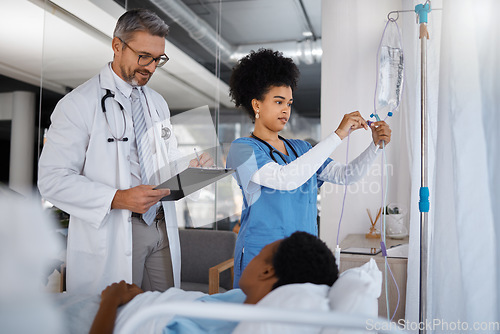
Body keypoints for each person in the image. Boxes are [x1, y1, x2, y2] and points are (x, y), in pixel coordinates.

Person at [38, 9, 212, 294]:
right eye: (144, 56)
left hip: (161, 226)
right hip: (117, 229)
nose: (152, 67)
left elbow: (162, 164)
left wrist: (190, 168)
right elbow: (52, 180)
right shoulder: (79, 104)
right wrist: (118, 198)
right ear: (117, 45)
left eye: (158, 59)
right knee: (118, 316)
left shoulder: (158, 103)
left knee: (162, 312)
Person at [226, 49, 392, 287]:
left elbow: (346, 175)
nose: (286, 110)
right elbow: (285, 179)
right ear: (256, 105)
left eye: (289, 103)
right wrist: (338, 134)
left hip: (302, 258)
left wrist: (375, 147)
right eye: (278, 102)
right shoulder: (242, 149)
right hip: (262, 258)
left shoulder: (302, 149)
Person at [88, 231, 338, 334]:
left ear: (266, 272)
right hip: (133, 301)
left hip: (103, 318)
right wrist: (145, 297)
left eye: (260, 253)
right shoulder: (246, 297)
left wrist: (111, 301)